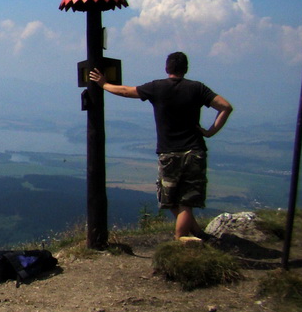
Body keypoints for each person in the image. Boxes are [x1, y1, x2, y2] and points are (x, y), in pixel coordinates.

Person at [88, 52, 233, 240]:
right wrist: (210, 131)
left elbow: (125, 91)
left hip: (169, 152)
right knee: (185, 200)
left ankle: (181, 239)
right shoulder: (197, 88)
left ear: (167, 68)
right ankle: (196, 233)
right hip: (195, 150)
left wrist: (103, 84)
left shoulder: (157, 87)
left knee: (171, 198)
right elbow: (225, 107)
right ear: (185, 69)